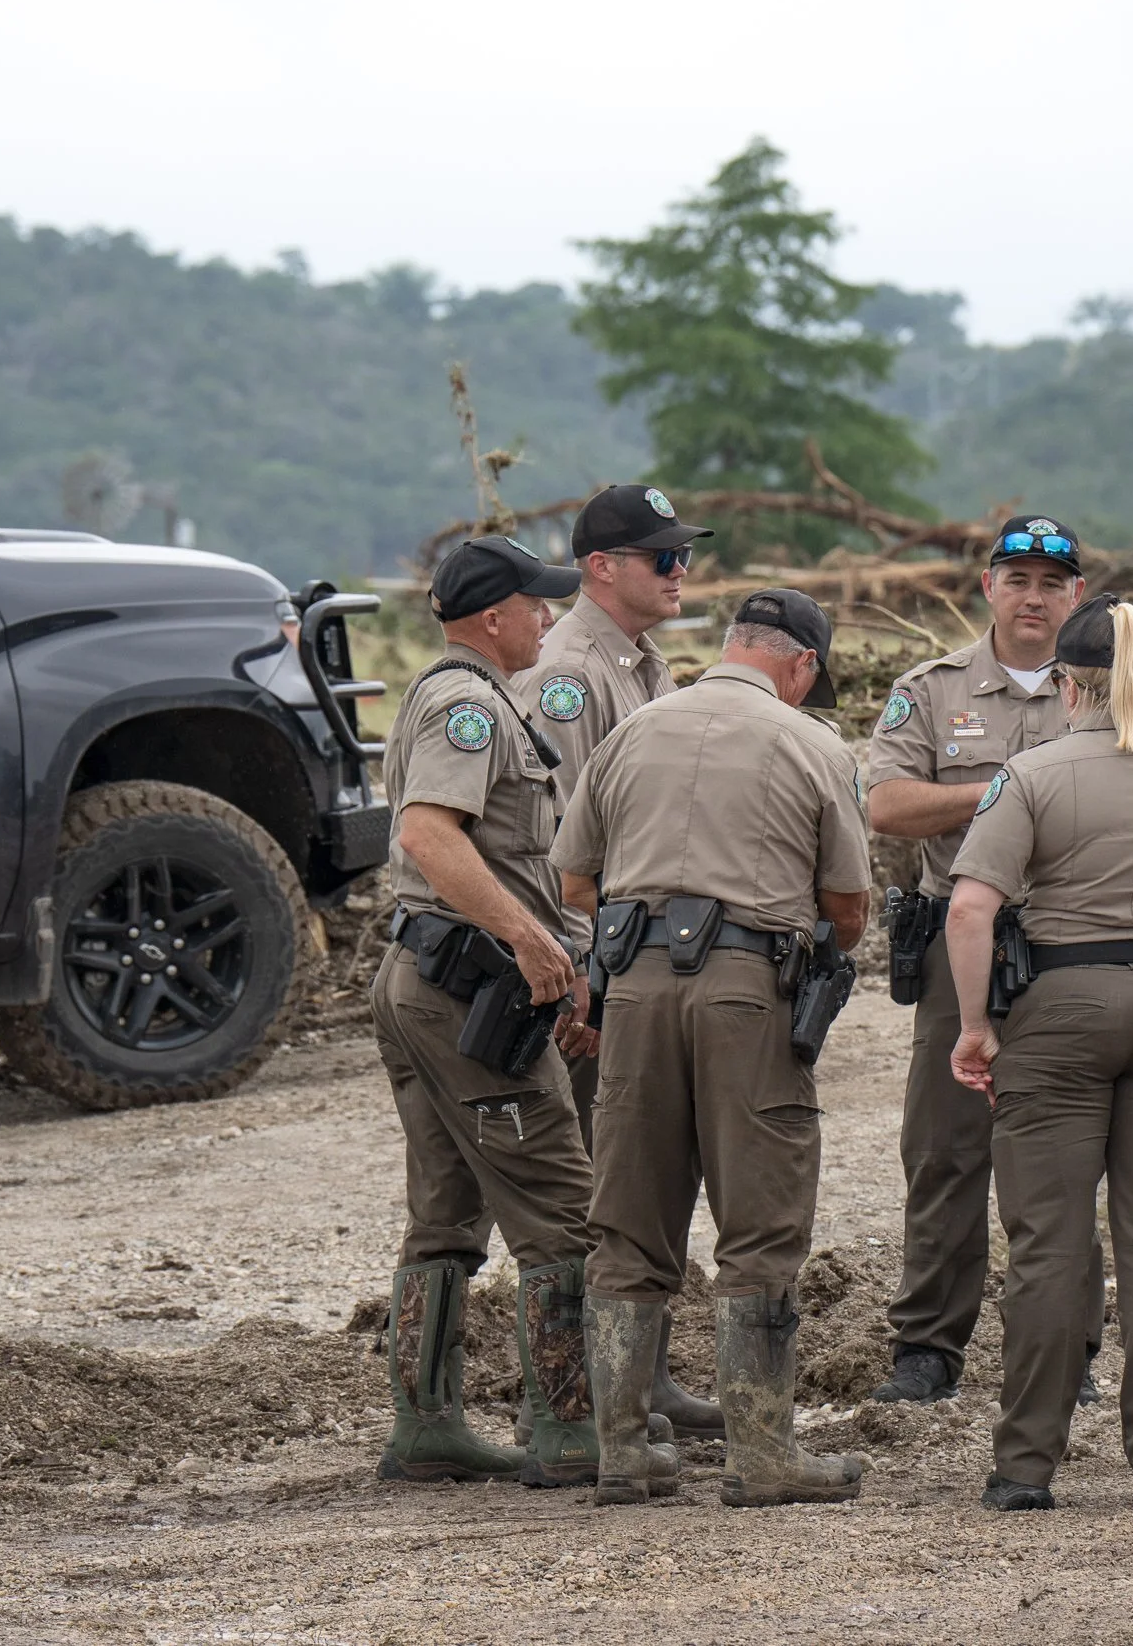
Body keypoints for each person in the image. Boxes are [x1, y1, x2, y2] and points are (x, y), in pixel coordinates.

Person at [553, 587, 875, 1506]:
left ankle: (621, 1448)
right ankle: (763, 1453)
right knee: (762, 1218)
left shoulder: (632, 732)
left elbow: (575, 877)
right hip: (748, 989)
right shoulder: (814, 744)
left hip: (636, 989)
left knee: (629, 1213)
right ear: (801, 664)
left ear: (732, 644)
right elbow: (848, 908)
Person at [945, 593, 1133, 1512]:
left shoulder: (1031, 775)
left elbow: (970, 906)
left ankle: (1026, 1463)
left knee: (1049, 1241)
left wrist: (974, 1026)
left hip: (1063, 1009)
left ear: (1067, 683)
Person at [369, 535, 626, 1488]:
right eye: (536, 604)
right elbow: (429, 833)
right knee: (562, 1205)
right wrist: (530, 938)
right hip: (467, 991)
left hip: (429, 981)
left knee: (446, 1210)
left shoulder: (454, 696)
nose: (549, 618)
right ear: (491, 617)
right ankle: (569, 1428)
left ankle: (426, 1424)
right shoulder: (470, 707)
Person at [864, 515, 1107, 1406]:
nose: (1034, 596)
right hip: (958, 938)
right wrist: (1005, 793)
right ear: (987, 587)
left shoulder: (1110, 685)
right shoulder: (931, 691)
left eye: (1052, 581)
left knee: (1066, 1152)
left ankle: (1070, 1345)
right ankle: (927, 1345)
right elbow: (885, 803)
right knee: (943, 1149)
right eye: (1018, 578)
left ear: (1076, 593)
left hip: (1073, 941)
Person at [511, 481, 721, 1447]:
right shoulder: (569, 673)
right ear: (603, 567)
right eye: (663, 558)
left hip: (645, 949)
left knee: (647, 1169)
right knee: (606, 1176)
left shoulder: (642, 663)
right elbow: (558, 841)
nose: (682, 571)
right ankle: (597, 1394)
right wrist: (583, 967)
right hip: (599, 952)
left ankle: (644, 1374)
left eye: (683, 555)